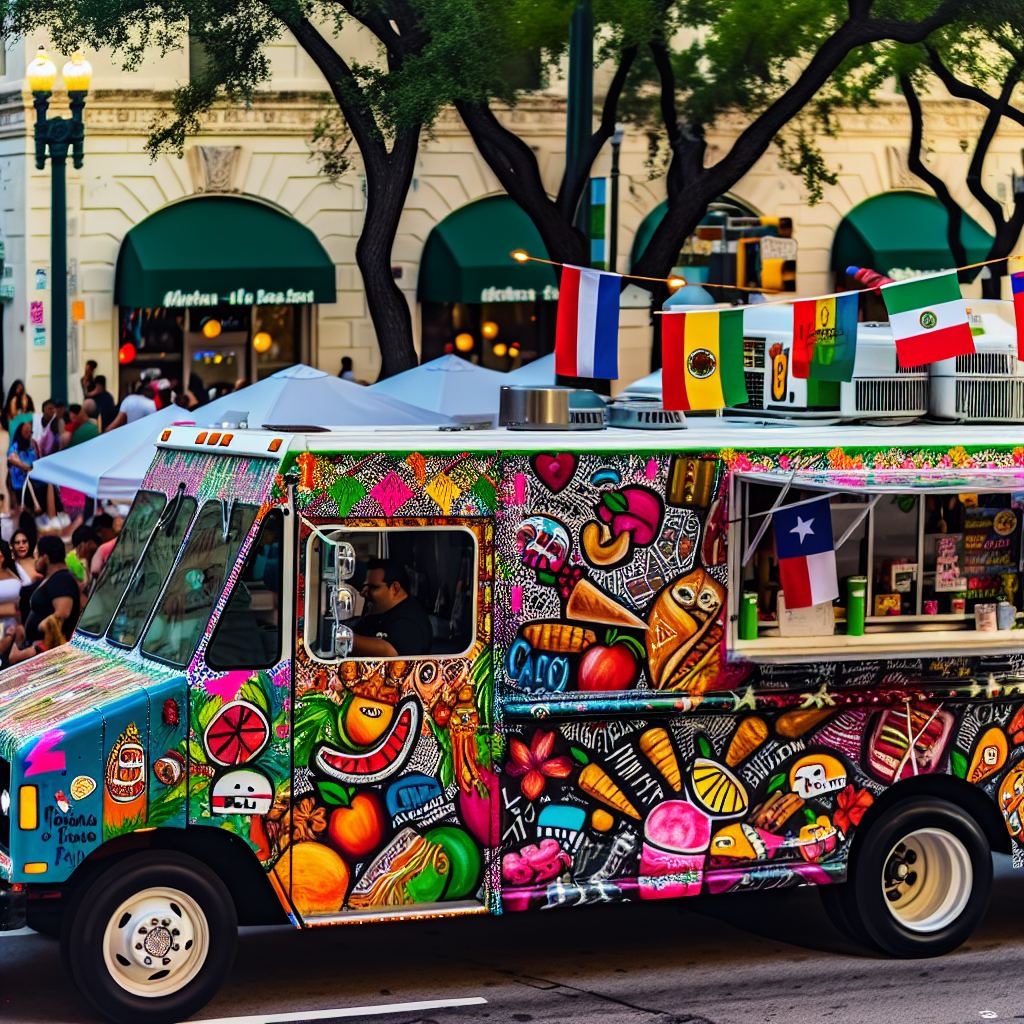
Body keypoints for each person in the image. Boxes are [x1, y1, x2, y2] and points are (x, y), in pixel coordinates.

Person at [351, 558, 432, 657]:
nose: (364, 593)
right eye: (365, 587)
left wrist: (344, 640)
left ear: (395, 588)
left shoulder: (408, 622)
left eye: (373, 587)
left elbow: (392, 654)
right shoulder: (380, 612)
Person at [24, 535, 80, 644]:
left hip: (47, 647)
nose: (35, 561)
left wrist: (41, 627)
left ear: (45, 557)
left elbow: (62, 613)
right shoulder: (51, 578)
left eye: (36, 556)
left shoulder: (62, 579)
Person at [7, 415, 41, 514]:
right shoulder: (14, 448)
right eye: (26, 432)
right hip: (20, 485)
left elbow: (38, 458)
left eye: (30, 432)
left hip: (33, 484)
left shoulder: (33, 444)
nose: (29, 434)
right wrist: (24, 466)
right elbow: (12, 459)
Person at [66, 525, 100, 592]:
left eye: (79, 547)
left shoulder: (102, 556)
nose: (77, 552)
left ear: (90, 543)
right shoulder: (87, 562)